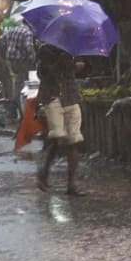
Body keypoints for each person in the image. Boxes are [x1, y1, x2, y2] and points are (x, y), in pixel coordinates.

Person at [35, 43, 86, 196]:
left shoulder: (74, 49)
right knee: (57, 138)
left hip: (71, 96)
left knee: (73, 140)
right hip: (53, 97)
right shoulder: (45, 49)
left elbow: (79, 69)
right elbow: (44, 73)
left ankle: (71, 185)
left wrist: (79, 65)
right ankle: (44, 172)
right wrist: (61, 59)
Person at [0, 21, 35, 101]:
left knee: (18, 80)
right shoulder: (27, 32)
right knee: (23, 81)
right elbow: (29, 48)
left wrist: (9, 47)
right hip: (22, 60)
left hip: (11, 60)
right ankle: (17, 103)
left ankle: (18, 101)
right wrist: (33, 59)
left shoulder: (12, 30)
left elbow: (0, 40)